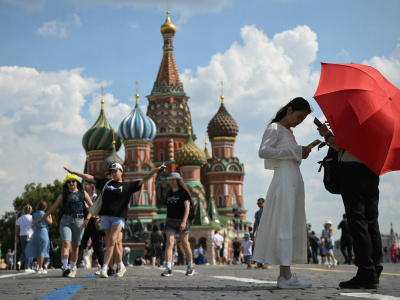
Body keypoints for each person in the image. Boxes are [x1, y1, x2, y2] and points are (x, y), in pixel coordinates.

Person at [64, 162, 163, 279]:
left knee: (111, 241)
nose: (113, 173)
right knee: (113, 242)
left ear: (121, 172)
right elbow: (90, 177)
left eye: (116, 171)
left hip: (119, 217)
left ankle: (104, 268)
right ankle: (121, 265)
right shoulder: (106, 183)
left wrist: (155, 171)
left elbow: (144, 179)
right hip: (105, 216)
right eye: (112, 172)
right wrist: (74, 173)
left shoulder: (128, 186)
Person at [253, 97, 312, 289]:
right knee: (285, 224)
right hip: (285, 180)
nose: (299, 121)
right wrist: (293, 151)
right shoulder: (275, 128)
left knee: (291, 224)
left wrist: (300, 152)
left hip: (292, 179)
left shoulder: (287, 131)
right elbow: (264, 152)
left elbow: (287, 152)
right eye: (299, 116)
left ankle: (285, 275)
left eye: (303, 119)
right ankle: (285, 278)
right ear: (289, 110)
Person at [318, 123, 382, 289]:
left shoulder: (354, 116)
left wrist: (326, 134)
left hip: (352, 170)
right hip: (372, 169)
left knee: (358, 221)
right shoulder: (379, 121)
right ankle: (375, 270)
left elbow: (338, 145)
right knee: (372, 221)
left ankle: (365, 272)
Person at [35, 173, 93, 278]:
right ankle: (65, 267)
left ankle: (72, 269)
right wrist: (42, 218)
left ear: (77, 183)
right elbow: (53, 207)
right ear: (66, 184)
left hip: (79, 220)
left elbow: (93, 208)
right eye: (69, 181)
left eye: (73, 181)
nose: (71, 183)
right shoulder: (63, 195)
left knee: (75, 247)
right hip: (66, 220)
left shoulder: (83, 193)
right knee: (66, 243)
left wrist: (87, 219)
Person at [161, 172, 194, 277]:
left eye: (173, 180)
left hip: (181, 221)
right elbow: (168, 209)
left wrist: (184, 222)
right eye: (170, 180)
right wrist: (166, 222)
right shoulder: (169, 193)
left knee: (185, 244)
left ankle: (190, 265)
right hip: (170, 221)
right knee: (169, 243)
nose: (171, 182)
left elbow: (187, 208)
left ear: (178, 181)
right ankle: (168, 268)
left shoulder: (184, 193)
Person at [79, 181, 104, 275]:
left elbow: (97, 210)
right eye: (84, 184)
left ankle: (103, 265)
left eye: (87, 184)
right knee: (81, 243)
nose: (85, 185)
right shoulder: (81, 196)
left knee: (98, 244)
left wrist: (98, 219)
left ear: (92, 186)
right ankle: (74, 265)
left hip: (93, 222)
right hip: (83, 222)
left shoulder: (96, 196)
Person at [25, 201, 52, 274]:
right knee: (42, 250)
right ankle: (40, 267)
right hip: (43, 231)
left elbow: (33, 224)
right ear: (45, 207)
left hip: (36, 232)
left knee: (37, 250)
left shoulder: (34, 214)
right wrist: (50, 215)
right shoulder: (44, 214)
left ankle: (37, 265)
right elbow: (50, 222)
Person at [15, 204, 35, 273]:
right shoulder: (32, 218)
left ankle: (19, 262)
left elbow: (17, 229)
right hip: (30, 235)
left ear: (24, 210)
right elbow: (34, 227)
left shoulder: (20, 218)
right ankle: (27, 267)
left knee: (24, 251)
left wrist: (16, 238)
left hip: (21, 235)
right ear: (31, 211)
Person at [253, 198, 267, 269]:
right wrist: (253, 233)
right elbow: (255, 223)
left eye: (260, 203)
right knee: (259, 248)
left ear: (264, 203)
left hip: (267, 232)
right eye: (258, 204)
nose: (259, 205)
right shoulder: (257, 213)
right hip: (260, 232)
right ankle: (259, 263)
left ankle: (266, 263)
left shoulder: (268, 212)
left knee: (266, 247)